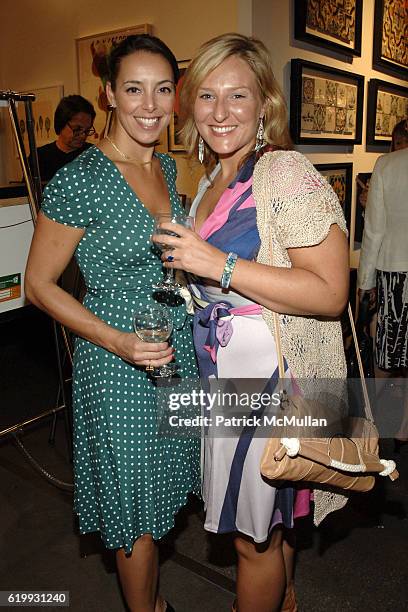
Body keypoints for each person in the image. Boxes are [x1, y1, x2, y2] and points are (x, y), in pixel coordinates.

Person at [152, 33, 349, 612]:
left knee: (251, 537)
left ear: (265, 104)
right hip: (228, 381)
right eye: (207, 96)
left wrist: (218, 264)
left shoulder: (283, 171)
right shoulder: (211, 177)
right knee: (275, 519)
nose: (220, 112)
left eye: (237, 96)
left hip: (270, 383)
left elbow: (332, 292)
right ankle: (284, 600)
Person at [25, 34, 200, 612]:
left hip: (173, 351)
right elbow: (39, 284)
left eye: (162, 89)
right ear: (108, 95)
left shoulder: (169, 170)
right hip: (116, 361)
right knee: (132, 511)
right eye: (133, 89)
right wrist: (117, 341)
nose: (149, 105)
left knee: (160, 488)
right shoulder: (80, 178)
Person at [358, 121, 408, 454]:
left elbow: (374, 231)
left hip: (395, 271)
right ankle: (405, 423)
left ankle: (375, 417)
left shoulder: (387, 166)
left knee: (388, 348)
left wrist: (365, 282)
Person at [33, 94, 96, 183]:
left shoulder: (93, 154)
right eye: (77, 129)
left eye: (87, 130)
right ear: (61, 124)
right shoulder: (39, 157)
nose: (82, 135)